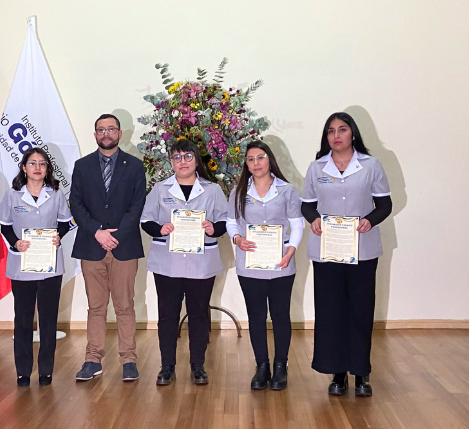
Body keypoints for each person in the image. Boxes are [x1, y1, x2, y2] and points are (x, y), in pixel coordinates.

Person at [301, 112, 392, 397]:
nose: (336, 135)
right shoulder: (317, 168)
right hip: (327, 251)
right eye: (330, 131)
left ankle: (362, 374)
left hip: (362, 249)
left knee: (360, 311)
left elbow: (384, 204)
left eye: (342, 129)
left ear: (353, 134)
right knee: (331, 312)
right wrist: (314, 219)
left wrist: (371, 220)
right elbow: (307, 206)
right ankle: (337, 374)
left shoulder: (371, 165)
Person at [140, 139, 227, 386]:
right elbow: (145, 221)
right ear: (171, 161)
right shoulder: (159, 189)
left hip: (202, 262)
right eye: (177, 157)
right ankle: (167, 365)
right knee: (167, 315)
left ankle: (197, 365)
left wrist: (213, 228)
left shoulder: (212, 190)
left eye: (188, 156)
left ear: (196, 159)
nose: (183, 162)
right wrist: (161, 228)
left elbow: (224, 221)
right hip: (167, 263)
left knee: (199, 313)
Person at [70, 113, 146, 382]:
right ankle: (93, 359)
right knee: (96, 307)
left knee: (125, 306)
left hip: (124, 246)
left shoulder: (135, 166)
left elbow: (137, 207)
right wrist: (97, 232)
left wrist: (115, 235)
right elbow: (76, 204)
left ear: (120, 134)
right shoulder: (82, 166)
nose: (106, 133)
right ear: (94, 135)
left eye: (111, 129)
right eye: (101, 129)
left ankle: (128, 360)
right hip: (92, 246)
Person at [227, 140, 303, 391]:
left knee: (281, 315)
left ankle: (281, 366)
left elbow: (297, 224)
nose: (256, 163)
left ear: (269, 159)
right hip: (250, 264)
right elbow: (231, 222)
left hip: (281, 261)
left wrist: (290, 250)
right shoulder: (238, 191)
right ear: (246, 164)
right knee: (256, 316)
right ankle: (262, 366)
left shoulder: (287, 190)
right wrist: (237, 239)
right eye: (250, 159)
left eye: (260, 157)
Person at [0, 148, 73, 387]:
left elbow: (64, 223)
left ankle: (46, 371)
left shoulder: (56, 194)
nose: (38, 168)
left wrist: (58, 237)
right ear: (24, 168)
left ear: (47, 168)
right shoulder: (12, 195)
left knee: (48, 319)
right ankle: (22, 371)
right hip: (22, 263)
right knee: (22, 318)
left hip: (49, 264)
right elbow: (5, 226)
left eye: (42, 163)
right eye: (32, 163)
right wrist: (15, 242)